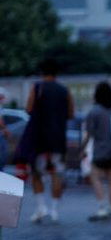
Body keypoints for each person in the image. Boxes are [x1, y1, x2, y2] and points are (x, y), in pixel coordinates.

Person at [25, 58, 75, 223]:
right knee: (57, 174)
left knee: (37, 173)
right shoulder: (64, 90)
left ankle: (41, 207)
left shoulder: (37, 87)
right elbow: (71, 114)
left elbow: (28, 109)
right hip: (58, 138)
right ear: (56, 73)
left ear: (42, 72)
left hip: (39, 139)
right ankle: (54, 210)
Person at [80, 82, 111, 221]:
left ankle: (101, 207)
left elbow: (89, 134)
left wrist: (82, 149)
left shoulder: (94, 111)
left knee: (95, 177)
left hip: (99, 151)